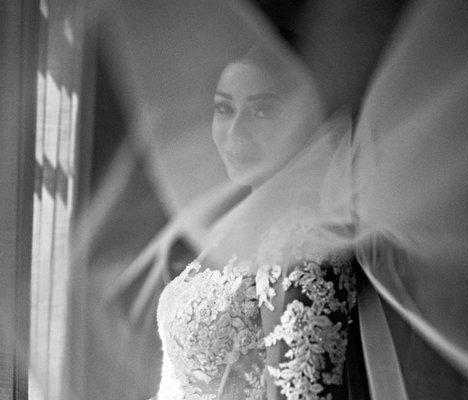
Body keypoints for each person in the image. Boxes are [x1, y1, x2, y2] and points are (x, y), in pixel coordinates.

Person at [154, 40, 362, 400]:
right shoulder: (234, 230)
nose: (235, 133)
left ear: (307, 120)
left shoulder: (303, 245)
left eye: (261, 112)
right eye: (224, 108)